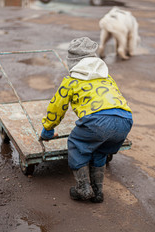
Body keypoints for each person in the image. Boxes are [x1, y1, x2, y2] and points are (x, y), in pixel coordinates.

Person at [41, 37, 133, 203]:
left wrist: (48, 129)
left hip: (97, 122)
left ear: (73, 63)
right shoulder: (107, 78)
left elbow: (57, 107)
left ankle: (83, 188)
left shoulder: (71, 81)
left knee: (77, 145)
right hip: (124, 119)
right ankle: (98, 191)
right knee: (100, 150)